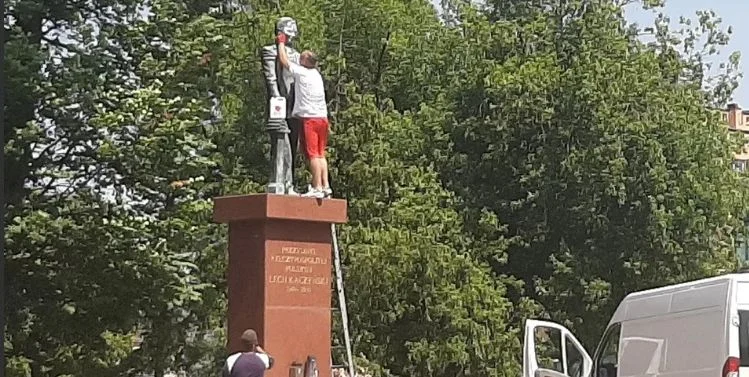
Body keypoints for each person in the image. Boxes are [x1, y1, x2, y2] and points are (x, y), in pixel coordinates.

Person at [276, 32, 332, 199]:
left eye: (302, 57)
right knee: (321, 154)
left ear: (307, 62)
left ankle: (316, 187)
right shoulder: (316, 75)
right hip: (322, 118)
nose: (299, 58)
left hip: (310, 119)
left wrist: (281, 43)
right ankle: (325, 185)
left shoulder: (302, 72)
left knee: (313, 154)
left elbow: (284, 62)